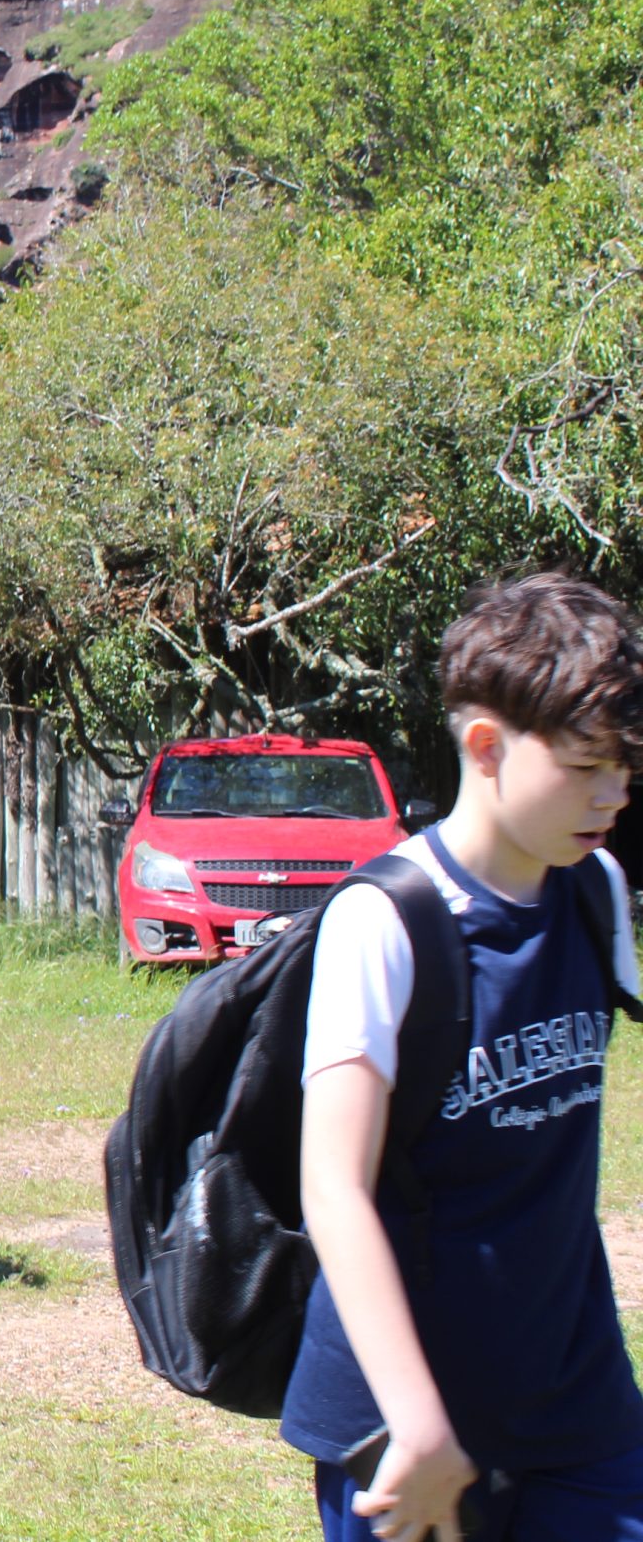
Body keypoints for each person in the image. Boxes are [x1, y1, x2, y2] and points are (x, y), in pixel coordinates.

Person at [289, 572, 643, 1541]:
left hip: (578, 1404)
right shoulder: (384, 921)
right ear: (485, 747)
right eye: (583, 766)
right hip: (403, 1423)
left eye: (623, 767)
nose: (611, 795)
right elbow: (333, 1188)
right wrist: (416, 1422)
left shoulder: (594, 890)